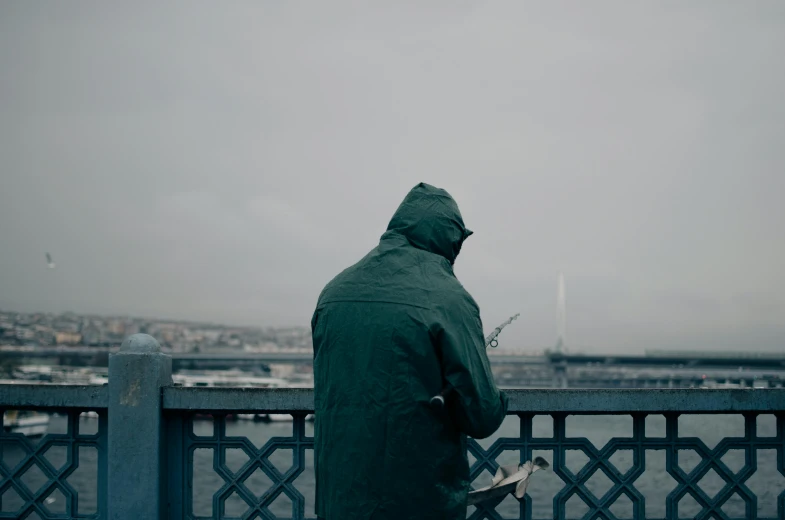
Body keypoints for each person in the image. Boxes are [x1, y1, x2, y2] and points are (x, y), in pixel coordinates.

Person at [311, 182, 509, 519]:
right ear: (449, 238)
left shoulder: (333, 292)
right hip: (418, 500)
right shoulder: (449, 299)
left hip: (340, 499)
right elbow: (482, 416)